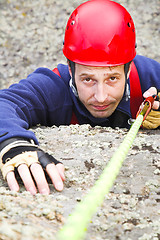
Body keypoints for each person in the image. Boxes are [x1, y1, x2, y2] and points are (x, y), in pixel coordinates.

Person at [0, 0, 160, 195]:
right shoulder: (55, 87)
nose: (101, 97)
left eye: (112, 78)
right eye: (87, 79)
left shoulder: (148, 77)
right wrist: (13, 143)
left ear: (128, 70)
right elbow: (5, 103)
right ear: (70, 69)